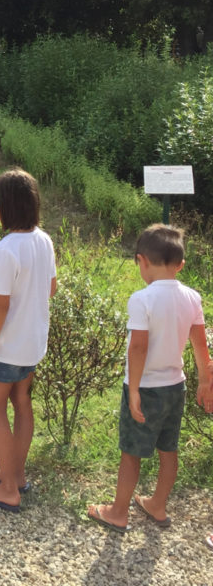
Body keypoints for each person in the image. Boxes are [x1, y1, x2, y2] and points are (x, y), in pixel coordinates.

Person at [87, 224, 213, 532]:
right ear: (181, 265)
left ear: (141, 260)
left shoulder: (141, 299)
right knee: (168, 449)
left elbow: (139, 347)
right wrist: (205, 381)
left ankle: (118, 512)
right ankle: (157, 504)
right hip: (176, 386)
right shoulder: (193, 297)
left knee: (131, 453)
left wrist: (133, 392)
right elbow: (200, 344)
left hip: (145, 387)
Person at [0, 169, 56, 513]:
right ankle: (16, 474)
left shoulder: (6, 248)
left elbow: (0, 305)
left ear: (4, 206)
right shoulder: (44, 239)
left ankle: (7, 488)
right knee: (22, 403)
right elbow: (48, 287)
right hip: (34, 342)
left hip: (8, 346)